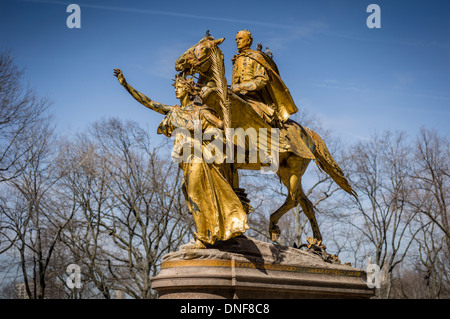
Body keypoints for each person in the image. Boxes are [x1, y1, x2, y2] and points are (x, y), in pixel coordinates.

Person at [113, 69, 249, 249]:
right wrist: (125, 85)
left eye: (179, 87)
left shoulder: (200, 112)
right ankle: (209, 233)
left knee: (195, 195)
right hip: (186, 160)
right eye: (175, 87)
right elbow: (149, 103)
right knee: (193, 197)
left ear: (188, 90)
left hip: (198, 157)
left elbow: (220, 126)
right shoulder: (175, 111)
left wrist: (214, 126)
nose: (176, 90)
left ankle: (202, 238)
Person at [230, 30, 298, 127]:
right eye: (236, 39)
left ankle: (279, 140)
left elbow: (262, 80)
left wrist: (240, 87)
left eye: (240, 38)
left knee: (258, 117)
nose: (237, 41)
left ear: (248, 40)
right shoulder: (236, 59)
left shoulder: (256, 57)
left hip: (255, 98)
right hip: (238, 97)